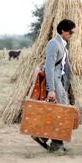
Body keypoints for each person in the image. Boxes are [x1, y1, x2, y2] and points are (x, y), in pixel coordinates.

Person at [33, 19, 76, 152]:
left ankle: (49, 140)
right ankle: (53, 142)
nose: (72, 33)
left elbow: (64, 67)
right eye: (70, 31)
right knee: (61, 111)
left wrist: (66, 85)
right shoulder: (53, 44)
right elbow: (49, 68)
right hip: (54, 82)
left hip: (60, 81)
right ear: (63, 30)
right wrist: (51, 89)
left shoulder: (62, 44)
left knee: (60, 111)